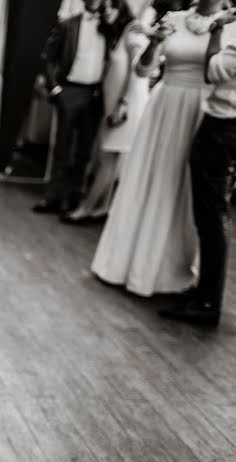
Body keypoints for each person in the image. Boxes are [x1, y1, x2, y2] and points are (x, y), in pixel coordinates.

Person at [91, 1, 234, 296]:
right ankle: (127, 262)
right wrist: (154, 43)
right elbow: (143, 71)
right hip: (164, 103)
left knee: (182, 189)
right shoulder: (175, 19)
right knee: (149, 178)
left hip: (202, 111)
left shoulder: (229, 25)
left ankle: (169, 269)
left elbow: (222, 73)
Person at [161, 7, 236, 325]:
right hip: (224, 124)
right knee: (210, 213)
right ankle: (203, 290)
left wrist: (217, 30)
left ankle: (207, 302)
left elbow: (212, 71)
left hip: (223, 124)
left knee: (211, 215)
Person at [62, 0, 151, 225]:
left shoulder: (132, 32)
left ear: (122, 9)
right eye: (105, 8)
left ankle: (86, 208)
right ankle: (101, 207)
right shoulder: (118, 35)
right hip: (115, 104)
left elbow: (137, 72)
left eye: (113, 7)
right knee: (108, 157)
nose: (107, 11)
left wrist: (123, 103)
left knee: (108, 158)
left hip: (126, 104)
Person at [34, 0, 110, 215]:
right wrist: (55, 89)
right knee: (62, 148)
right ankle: (53, 197)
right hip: (69, 90)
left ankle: (75, 198)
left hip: (94, 93)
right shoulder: (68, 25)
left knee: (84, 151)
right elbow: (48, 57)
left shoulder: (109, 26)